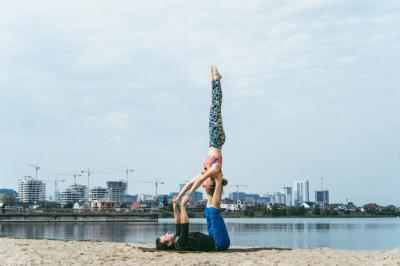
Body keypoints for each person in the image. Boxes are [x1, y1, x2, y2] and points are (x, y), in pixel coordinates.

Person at [177, 65, 227, 200]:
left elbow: (191, 182)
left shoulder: (207, 171)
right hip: (217, 140)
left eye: (203, 186)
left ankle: (215, 81)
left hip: (213, 140)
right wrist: (189, 196)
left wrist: (179, 195)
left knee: (213, 109)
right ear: (210, 183)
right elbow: (198, 182)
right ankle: (216, 80)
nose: (203, 185)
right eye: (205, 185)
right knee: (215, 108)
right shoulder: (215, 171)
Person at [156, 173, 230, 251]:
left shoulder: (178, 237)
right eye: (165, 236)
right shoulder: (180, 244)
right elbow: (185, 225)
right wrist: (183, 206)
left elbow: (178, 222)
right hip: (219, 243)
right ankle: (218, 180)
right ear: (169, 243)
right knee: (213, 212)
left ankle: (212, 184)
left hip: (213, 237)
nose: (166, 234)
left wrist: (174, 206)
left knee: (208, 212)